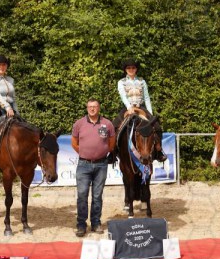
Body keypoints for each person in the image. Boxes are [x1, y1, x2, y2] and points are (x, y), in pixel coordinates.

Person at [71, 98, 116, 237]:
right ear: (87, 108)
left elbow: (111, 143)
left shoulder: (107, 124)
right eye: (90, 106)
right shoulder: (79, 124)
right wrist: (84, 153)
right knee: (82, 195)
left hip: (101, 165)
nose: (92, 109)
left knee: (97, 195)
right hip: (83, 165)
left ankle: (96, 223)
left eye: (95, 106)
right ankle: (81, 224)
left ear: (99, 108)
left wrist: (102, 152)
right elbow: (74, 143)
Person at [113, 58, 167, 162]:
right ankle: (113, 152)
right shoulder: (121, 82)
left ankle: (159, 151)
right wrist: (129, 107)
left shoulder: (142, 81)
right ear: (125, 69)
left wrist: (150, 113)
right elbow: (123, 96)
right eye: (129, 68)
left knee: (157, 126)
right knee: (114, 126)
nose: (131, 70)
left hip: (140, 107)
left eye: (133, 68)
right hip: (128, 108)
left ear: (136, 69)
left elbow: (146, 97)